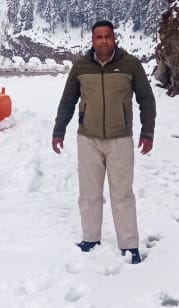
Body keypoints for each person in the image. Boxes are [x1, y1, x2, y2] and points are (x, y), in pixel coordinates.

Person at [51, 20, 155, 263]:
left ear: (114, 38)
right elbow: (67, 101)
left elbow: (146, 100)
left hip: (120, 139)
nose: (104, 41)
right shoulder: (81, 66)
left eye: (108, 36)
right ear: (92, 40)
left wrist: (147, 133)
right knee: (89, 194)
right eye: (99, 37)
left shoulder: (130, 65)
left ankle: (129, 245)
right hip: (88, 139)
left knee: (122, 195)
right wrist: (58, 131)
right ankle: (90, 238)